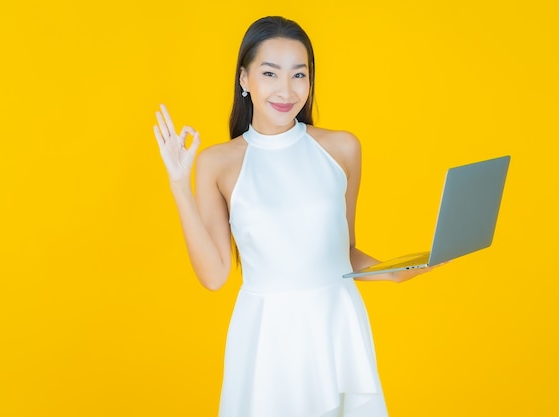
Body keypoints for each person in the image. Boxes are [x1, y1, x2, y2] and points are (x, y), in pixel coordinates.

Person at [153, 15, 441, 417]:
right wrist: (180, 186)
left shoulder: (342, 149)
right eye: (270, 73)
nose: (286, 90)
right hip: (268, 337)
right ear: (244, 79)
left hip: (335, 326)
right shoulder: (217, 162)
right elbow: (216, 275)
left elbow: (344, 252)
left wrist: (395, 271)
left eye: (299, 75)